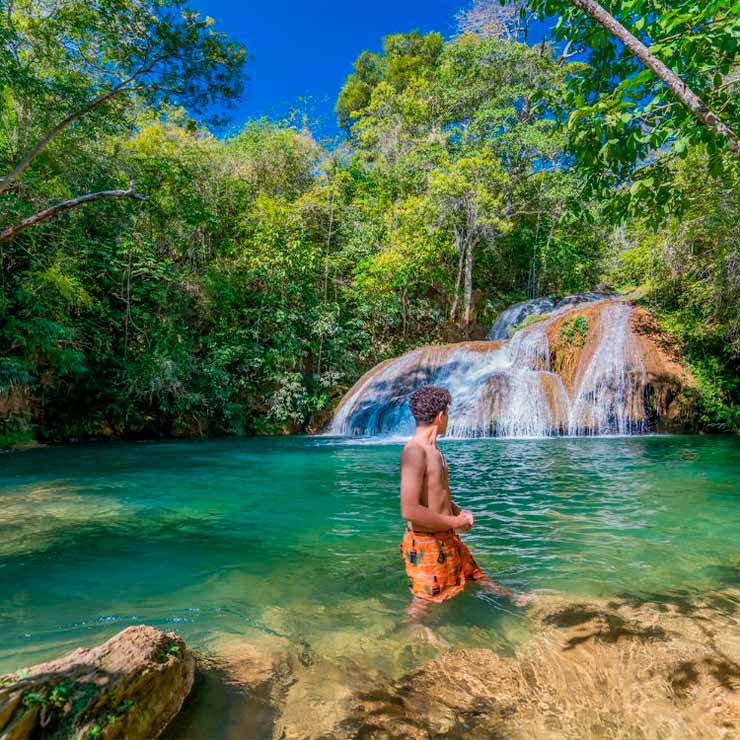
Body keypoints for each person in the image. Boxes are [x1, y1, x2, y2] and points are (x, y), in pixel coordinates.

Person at [399, 385, 525, 617]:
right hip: (426, 542)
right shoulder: (415, 451)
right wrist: (454, 522)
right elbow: (409, 510)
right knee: (424, 601)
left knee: (473, 575)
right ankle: (411, 635)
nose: (448, 420)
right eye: (447, 414)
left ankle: (514, 598)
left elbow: (438, 494)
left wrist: (458, 513)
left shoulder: (434, 450)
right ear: (440, 416)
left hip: (446, 535)